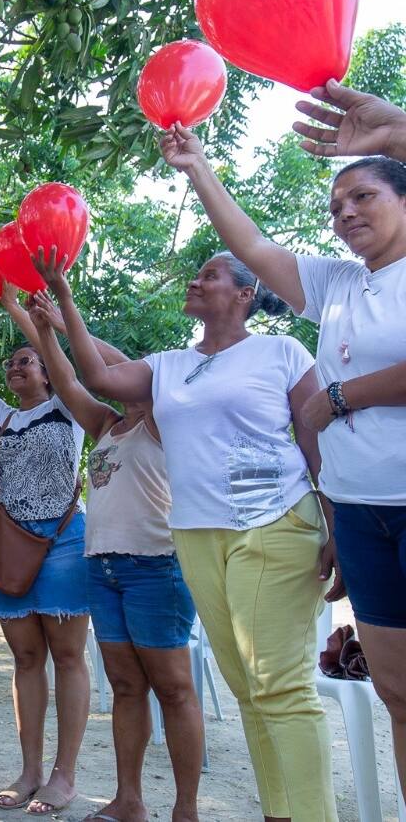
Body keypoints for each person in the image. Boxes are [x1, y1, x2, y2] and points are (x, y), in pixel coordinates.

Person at [165, 82, 406, 803]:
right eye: (336, 206)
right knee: (395, 690)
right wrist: (198, 167)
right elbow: (254, 246)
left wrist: (340, 396)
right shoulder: (336, 285)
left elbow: (336, 400)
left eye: (363, 195)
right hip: (362, 510)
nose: (346, 214)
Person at [36, 248, 338, 822]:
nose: (197, 281)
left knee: (281, 687)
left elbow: (314, 437)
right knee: (248, 688)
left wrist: (336, 522)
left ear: (246, 293)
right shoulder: (169, 364)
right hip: (198, 535)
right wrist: (62, 300)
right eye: (197, 273)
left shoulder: (281, 351)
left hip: (277, 520)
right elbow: (96, 378)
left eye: (211, 274)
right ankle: (281, 813)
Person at [25, 292, 202, 822]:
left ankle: (186, 809)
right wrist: (48, 332)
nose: (117, 384)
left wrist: (66, 314)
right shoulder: (106, 425)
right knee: (126, 687)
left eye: (130, 379)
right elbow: (70, 378)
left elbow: (107, 368)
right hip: (102, 569)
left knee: (172, 689)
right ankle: (129, 801)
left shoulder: (164, 421)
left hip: (156, 568)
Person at [0, 288, 92, 815]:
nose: (15, 368)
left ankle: (65, 775)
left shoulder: (69, 406)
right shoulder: (2, 419)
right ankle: (30, 769)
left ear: (48, 369)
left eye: (26, 361)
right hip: (8, 545)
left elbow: (63, 357)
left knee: (68, 656)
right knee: (27, 657)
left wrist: (24, 314)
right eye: (10, 363)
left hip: (62, 542)